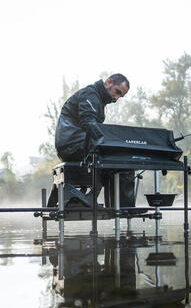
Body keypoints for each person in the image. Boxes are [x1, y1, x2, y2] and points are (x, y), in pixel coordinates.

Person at [54, 74, 134, 208]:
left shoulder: (97, 98)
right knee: (122, 160)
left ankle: (110, 204)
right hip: (72, 145)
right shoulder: (90, 94)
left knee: (119, 158)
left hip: (76, 144)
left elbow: (94, 130)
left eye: (121, 96)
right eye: (117, 92)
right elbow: (89, 124)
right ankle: (123, 208)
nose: (116, 98)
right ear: (109, 82)